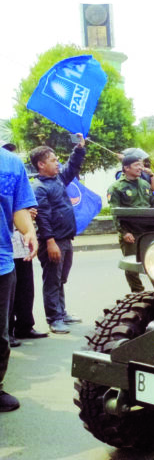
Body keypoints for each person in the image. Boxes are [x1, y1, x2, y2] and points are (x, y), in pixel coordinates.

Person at [30, 135, 86, 334]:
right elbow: (42, 218)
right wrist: (50, 242)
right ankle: (54, 319)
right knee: (52, 281)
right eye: (53, 160)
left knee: (60, 279)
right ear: (41, 164)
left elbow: (72, 167)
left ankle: (61, 313)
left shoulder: (58, 180)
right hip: (52, 242)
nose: (57, 163)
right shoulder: (39, 188)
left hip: (65, 239)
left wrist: (79, 149)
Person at [1, 144, 38, 412]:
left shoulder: (11, 163)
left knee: (0, 335)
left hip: (1, 265)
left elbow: (18, 206)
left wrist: (29, 231)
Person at [107, 155, 154, 292]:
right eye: (136, 165)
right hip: (131, 232)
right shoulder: (116, 188)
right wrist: (124, 232)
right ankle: (137, 292)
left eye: (140, 165)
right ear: (126, 168)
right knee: (131, 265)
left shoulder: (145, 185)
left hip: (147, 232)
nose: (140, 168)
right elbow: (115, 213)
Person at [9, 208, 47, 346]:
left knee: (26, 291)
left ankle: (25, 327)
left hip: (22, 247)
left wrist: (26, 216)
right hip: (6, 250)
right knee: (8, 294)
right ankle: (7, 332)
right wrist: (18, 217)